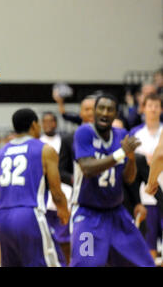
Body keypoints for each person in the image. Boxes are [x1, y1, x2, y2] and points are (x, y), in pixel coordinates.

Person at [69, 93, 155, 267]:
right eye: (101, 108)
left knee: (143, 263)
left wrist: (130, 159)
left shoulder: (121, 134)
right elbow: (87, 168)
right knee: (86, 264)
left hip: (117, 214)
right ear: (94, 112)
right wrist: (121, 153)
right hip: (88, 214)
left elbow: (129, 179)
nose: (105, 112)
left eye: (110, 109)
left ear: (116, 114)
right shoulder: (84, 132)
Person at [0, 108, 70, 267]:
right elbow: (56, 191)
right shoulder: (44, 149)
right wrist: (63, 209)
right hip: (28, 214)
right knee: (52, 263)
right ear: (34, 125)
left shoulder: (2, 152)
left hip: (2, 217)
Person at [129, 93, 163, 260]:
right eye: (150, 105)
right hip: (145, 196)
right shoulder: (135, 133)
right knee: (148, 245)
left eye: (156, 106)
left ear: (161, 109)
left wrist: (155, 159)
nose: (153, 109)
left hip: (160, 189)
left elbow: (159, 156)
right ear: (143, 108)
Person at [39, 111, 72, 265]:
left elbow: (64, 169)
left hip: (63, 192)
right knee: (45, 240)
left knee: (65, 238)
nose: (48, 124)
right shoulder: (37, 142)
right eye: (45, 122)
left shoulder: (64, 141)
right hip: (43, 197)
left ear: (56, 123)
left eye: (51, 121)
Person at [58, 95, 95, 186]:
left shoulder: (108, 137)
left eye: (94, 109)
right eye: (87, 109)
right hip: (79, 190)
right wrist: (73, 179)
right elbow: (61, 171)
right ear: (80, 113)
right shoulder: (68, 139)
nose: (91, 113)